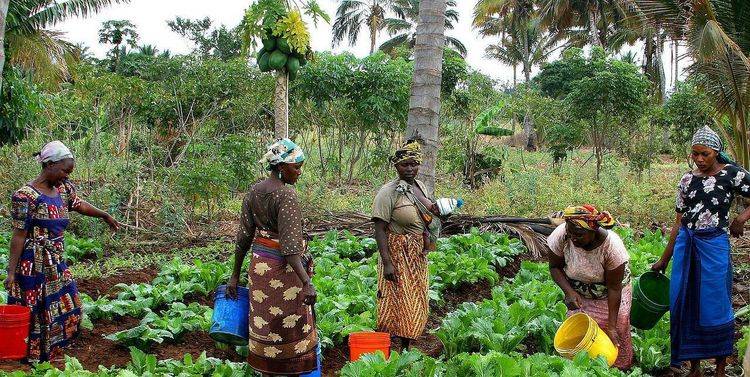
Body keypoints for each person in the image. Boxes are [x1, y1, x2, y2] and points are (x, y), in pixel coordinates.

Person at [3, 141, 119, 363]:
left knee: (68, 304)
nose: (66, 176)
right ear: (49, 165)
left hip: (55, 259)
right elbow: (18, 235)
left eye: (69, 172)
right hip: (32, 263)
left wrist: (104, 215)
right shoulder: (25, 196)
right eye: (65, 170)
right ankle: (33, 355)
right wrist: (11, 272)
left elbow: (79, 204)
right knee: (37, 308)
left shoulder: (64, 189)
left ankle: (54, 350)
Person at [652, 126, 750, 377]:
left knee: (716, 303)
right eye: (695, 154)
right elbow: (678, 222)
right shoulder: (687, 179)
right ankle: (693, 367)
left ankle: (719, 367)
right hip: (687, 244)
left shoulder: (732, 174)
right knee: (684, 301)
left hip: (714, 244)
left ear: (716, 152)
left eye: (704, 154)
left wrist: (741, 217)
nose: (699, 159)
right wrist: (664, 258)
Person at [227, 138, 317, 376]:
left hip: (260, 268)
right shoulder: (286, 195)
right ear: (280, 167)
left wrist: (234, 276)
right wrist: (306, 283)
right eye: (296, 167)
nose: (299, 172)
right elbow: (289, 248)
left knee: (265, 323)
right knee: (289, 327)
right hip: (283, 272)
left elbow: (244, 237)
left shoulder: (254, 191)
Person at [372, 140, 441, 351]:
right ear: (396, 166)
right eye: (405, 165)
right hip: (397, 252)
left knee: (416, 298)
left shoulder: (420, 186)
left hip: (416, 254)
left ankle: (407, 344)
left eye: (414, 164)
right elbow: (379, 229)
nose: (410, 169)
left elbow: (427, 214)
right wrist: (387, 263)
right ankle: (394, 346)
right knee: (398, 300)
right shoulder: (388, 193)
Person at [547, 205, 633, 369]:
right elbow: (554, 267)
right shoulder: (561, 236)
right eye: (569, 232)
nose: (573, 238)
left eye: (579, 234)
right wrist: (569, 292)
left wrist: (612, 326)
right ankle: (583, 369)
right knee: (579, 332)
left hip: (611, 293)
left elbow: (614, 289)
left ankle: (620, 369)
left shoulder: (612, 248)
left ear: (593, 231)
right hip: (579, 292)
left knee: (616, 331)